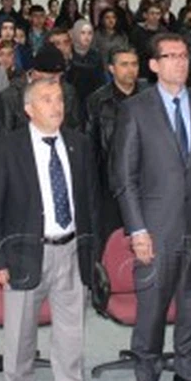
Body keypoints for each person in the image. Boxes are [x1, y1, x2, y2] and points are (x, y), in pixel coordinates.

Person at [111, 32, 191, 381]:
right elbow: (124, 178)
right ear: (154, 65)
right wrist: (137, 229)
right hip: (156, 228)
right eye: (171, 56)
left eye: (183, 55)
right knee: (152, 310)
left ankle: (188, 372)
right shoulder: (136, 108)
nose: (180, 62)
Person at [0, 79, 96, 381]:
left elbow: (90, 202)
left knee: (71, 330)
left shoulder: (79, 144)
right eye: (46, 99)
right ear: (29, 109)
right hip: (25, 252)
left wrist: (93, 249)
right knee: (20, 334)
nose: (56, 106)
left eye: (59, 99)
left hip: (72, 249)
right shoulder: (7, 148)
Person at [85, 45, 148, 238]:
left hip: (147, 181)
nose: (131, 69)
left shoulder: (150, 96)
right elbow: (91, 147)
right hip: (111, 184)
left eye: (134, 64)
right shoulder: (97, 101)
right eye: (124, 65)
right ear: (111, 68)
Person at [0, 45, 80, 136]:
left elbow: (75, 130)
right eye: (52, 78)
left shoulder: (68, 92)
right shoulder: (11, 97)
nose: (57, 81)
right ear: (36, 75)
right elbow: (4, 136)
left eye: (60, 76)